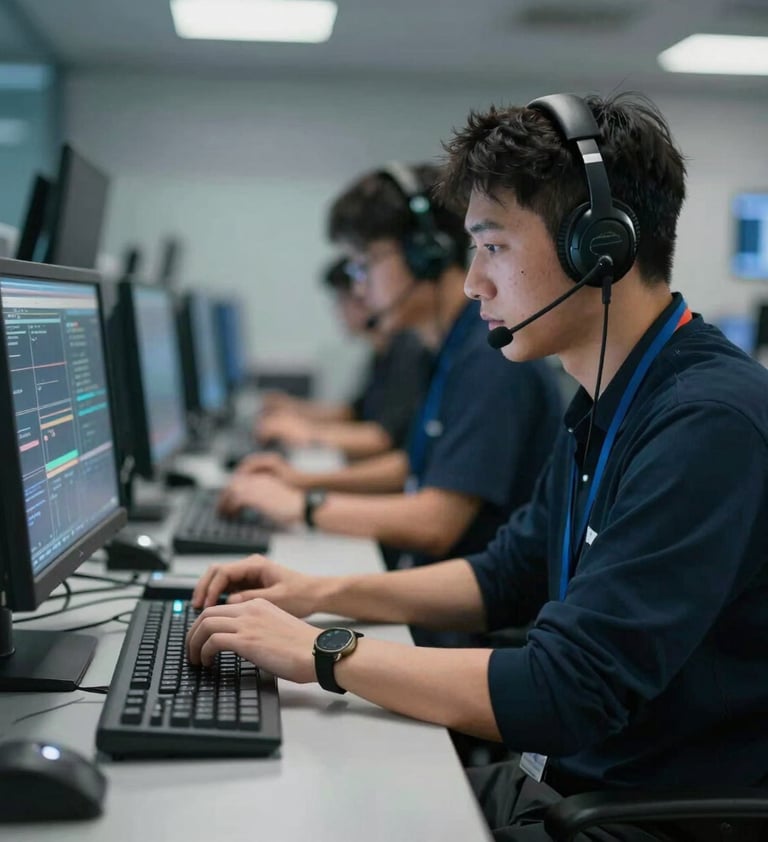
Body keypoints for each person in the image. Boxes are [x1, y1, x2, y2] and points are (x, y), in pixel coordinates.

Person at [187, 92, 768, 839]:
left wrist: (322, 650)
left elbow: (568, 689)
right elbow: (505, 576)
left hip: (629, 817)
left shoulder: (706, 423)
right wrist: (318, 591)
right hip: (562, 781)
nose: (471, 283)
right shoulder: (612, 397)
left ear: (600, 248)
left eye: (493, 246)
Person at [220, 163, 562, 592]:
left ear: (425, 253)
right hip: (430, 591)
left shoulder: (490, 357)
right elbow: (416, 466)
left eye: (366, 264)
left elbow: (435, 522)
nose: (359, 288)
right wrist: (303, 481)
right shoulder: (443, 348)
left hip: (467, 625)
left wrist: (301, 505)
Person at [256, 258, 432, 460]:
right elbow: (352, 413)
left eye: (341, 300)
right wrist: (293, 408)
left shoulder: (409, 350)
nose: (337, 311)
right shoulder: (382, 350)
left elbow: (384, 437)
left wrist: (307, 433)